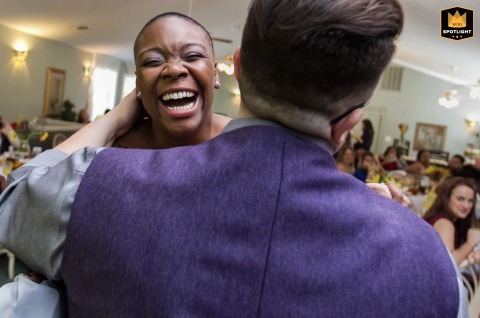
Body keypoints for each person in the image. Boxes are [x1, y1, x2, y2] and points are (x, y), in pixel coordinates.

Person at [0, 2, 467, 317]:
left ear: (234, 68)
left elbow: (16, 198)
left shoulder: (94, 191)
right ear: (352, 122)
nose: (174, 69)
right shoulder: (430, 266)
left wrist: (112, 118)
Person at [423, 177, 480, 267]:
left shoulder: (447, 219)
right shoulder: (444, 223)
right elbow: (448, 264)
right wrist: (470, 243)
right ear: (446, 198)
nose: (466, 206)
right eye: (460, 199)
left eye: (470, 201)